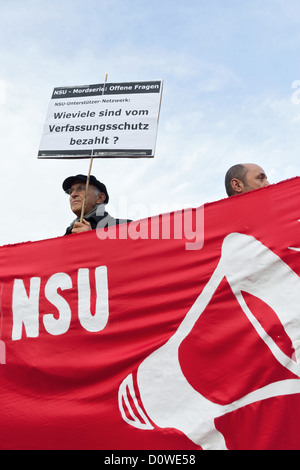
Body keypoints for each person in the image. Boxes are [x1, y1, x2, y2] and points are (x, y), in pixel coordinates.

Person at [63, 174, 131, 235]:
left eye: (81, 189)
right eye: (70, 191)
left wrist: (92, 240)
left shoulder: (126, 228)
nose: (73, 195)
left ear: (100, 198)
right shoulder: (65, 236)